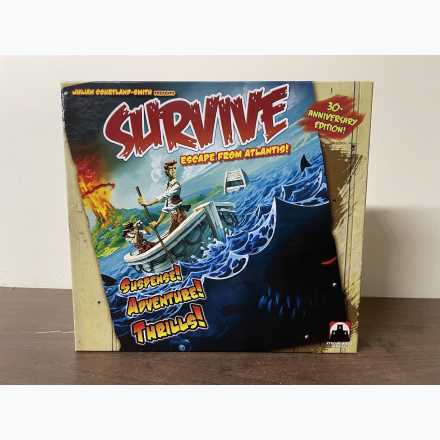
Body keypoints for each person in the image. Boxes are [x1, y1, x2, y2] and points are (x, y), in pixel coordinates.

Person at [138, 160, 189, 234]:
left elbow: (163, 197)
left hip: (180, 215)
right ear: (167, 172)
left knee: (183, 233)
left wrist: (148, 203)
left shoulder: (176, 185)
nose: (173, 171)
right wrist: (157, 223)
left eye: (174, 168)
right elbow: (166, 207)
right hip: (174, 217)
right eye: (171, 169)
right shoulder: (169, 184)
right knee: (171, 234)